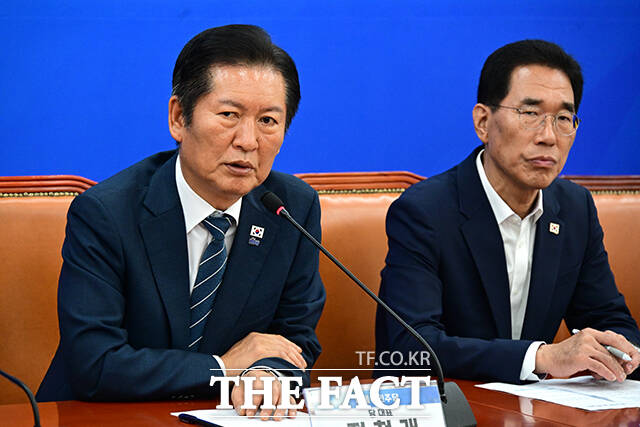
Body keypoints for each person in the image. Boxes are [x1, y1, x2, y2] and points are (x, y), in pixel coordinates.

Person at [37, 24, 326, 419]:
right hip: (103, 417)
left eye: (268, 121)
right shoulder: (106, 213)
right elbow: (95, 363)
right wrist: (223, 368)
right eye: (229, 115)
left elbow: (294, 340)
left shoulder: (291, 209)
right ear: (178, 118)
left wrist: (266, 374)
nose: (248, 141)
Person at [375, 39, 640, 384]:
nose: (549, 136)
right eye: (530, 114)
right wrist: (540, 357)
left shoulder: (575, 209)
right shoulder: (424, 212)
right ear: (483, 122)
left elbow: (610, 321)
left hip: (540, 407)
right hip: (451, 404)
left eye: (563, 118)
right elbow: (409, 350)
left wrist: (619, 352)